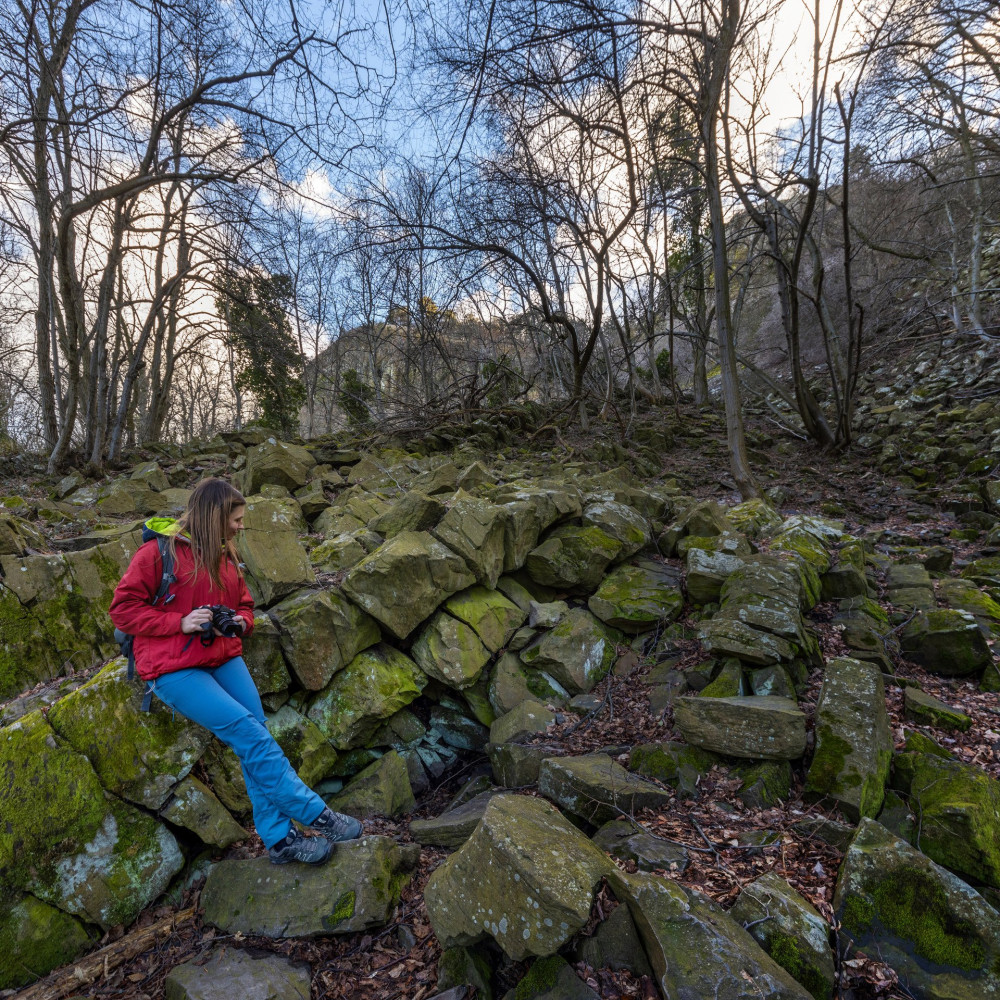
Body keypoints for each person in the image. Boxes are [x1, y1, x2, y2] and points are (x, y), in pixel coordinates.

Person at [109, 476, 361, 865]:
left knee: (254, 734)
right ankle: (316, 815)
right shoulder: (158, 554)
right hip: (173, 667)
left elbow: (244, 604)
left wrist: (241, 623)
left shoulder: (225, 555)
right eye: (237, 519)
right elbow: (122, 610)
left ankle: (278, 839)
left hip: (221, 656)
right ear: (215, 516)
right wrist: (180, 622)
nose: (242, 526)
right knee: (248, 733)